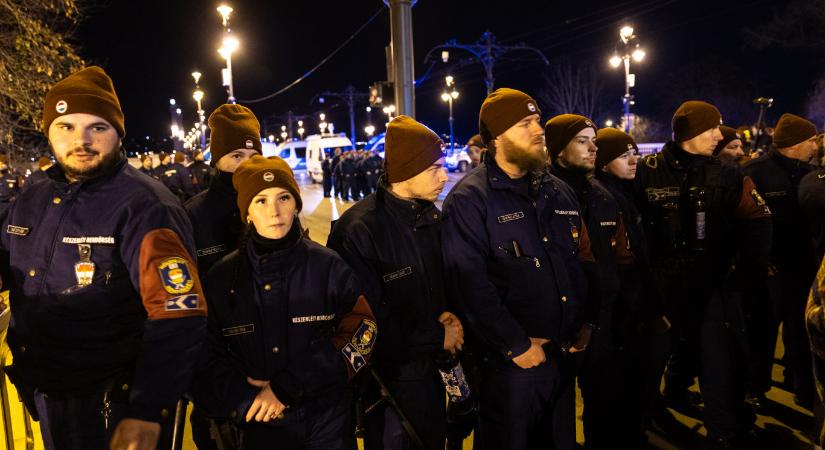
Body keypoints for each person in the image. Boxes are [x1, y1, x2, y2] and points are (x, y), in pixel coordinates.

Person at [0, 65, 207, 450]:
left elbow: (179, 312)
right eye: (66, 126)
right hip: (47, 391)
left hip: (113, 405)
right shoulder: (34, 195)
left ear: (117, 132)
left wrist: (148, 410)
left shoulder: (145, 206)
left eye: (97, 127)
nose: (81, 140)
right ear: (49, 132)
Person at [441, 88, 595, 450]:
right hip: (510, 370)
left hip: (561, 357)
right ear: (497, 138)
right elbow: (470, 283)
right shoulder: (469, 199)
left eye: (537, 120)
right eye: (526, 123)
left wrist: (588, 322)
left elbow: (581, 262)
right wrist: (516, 344)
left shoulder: (557, 191)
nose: (538, 129)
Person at [193, 155, 376, 450]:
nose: (274, 211)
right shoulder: (221, 279)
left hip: (328, 423)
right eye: (261, 201)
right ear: (247, 213)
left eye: (283, 197)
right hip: (256, 425)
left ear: (296, 204)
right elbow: (202, 350)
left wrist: (288, 387)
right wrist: (240, 398)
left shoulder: (329, 267)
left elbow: (363, 333)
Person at [635, 100, 772, 448]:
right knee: (651, 360)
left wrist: (743, 274)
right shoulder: (646, 171)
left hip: (712, 285)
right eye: (711, 128)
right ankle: (646, 418)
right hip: (661, 285)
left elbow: (758, 222)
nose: (718, 135)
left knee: (718, 362)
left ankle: (722, 430)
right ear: (690, 131)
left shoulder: (727, 173)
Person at [328, 116, 461, 449]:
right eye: (434, 169)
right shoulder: (357, 229)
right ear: (405, 170)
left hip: (436, 371)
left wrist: (453, 320)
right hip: (389, 386)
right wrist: (436, 335)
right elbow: (363, 318)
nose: (444, 177)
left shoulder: (432, 216)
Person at [545, 114, 644, 448]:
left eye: (594, 142)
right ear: (558, 149)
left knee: (604, 402)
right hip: (558, 321)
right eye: (582, 141)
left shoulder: (604, 197)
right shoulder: (542, 195)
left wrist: (625, 310)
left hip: (602, 318)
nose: (592, 149)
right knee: (557, 411)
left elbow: (624, 259)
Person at [184, 103, 262, 449]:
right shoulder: (192, 216)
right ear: (217, 160)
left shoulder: (274, 205)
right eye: (235, 155)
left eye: (252, 153)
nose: (245, 164)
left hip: (272, 374)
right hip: (217, 377)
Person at [594, 127, 670, 445]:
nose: (633, 159)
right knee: (618, 387)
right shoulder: (603, 199)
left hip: (636, 309)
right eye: (624, 155)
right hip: (620, 314)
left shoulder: (629, 193)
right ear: (603, 162)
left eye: (634, 153)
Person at [743, 113, 819, 409]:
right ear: (796, 143)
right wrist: (758, 260)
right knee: (762, 332)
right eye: (811, 140)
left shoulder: (810, 174)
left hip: (803, 268)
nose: (815, 145)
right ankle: (754, 387)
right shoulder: (754, 171)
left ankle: (801, 385)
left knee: (801, 331)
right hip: (769, 270)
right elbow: (743, 221)